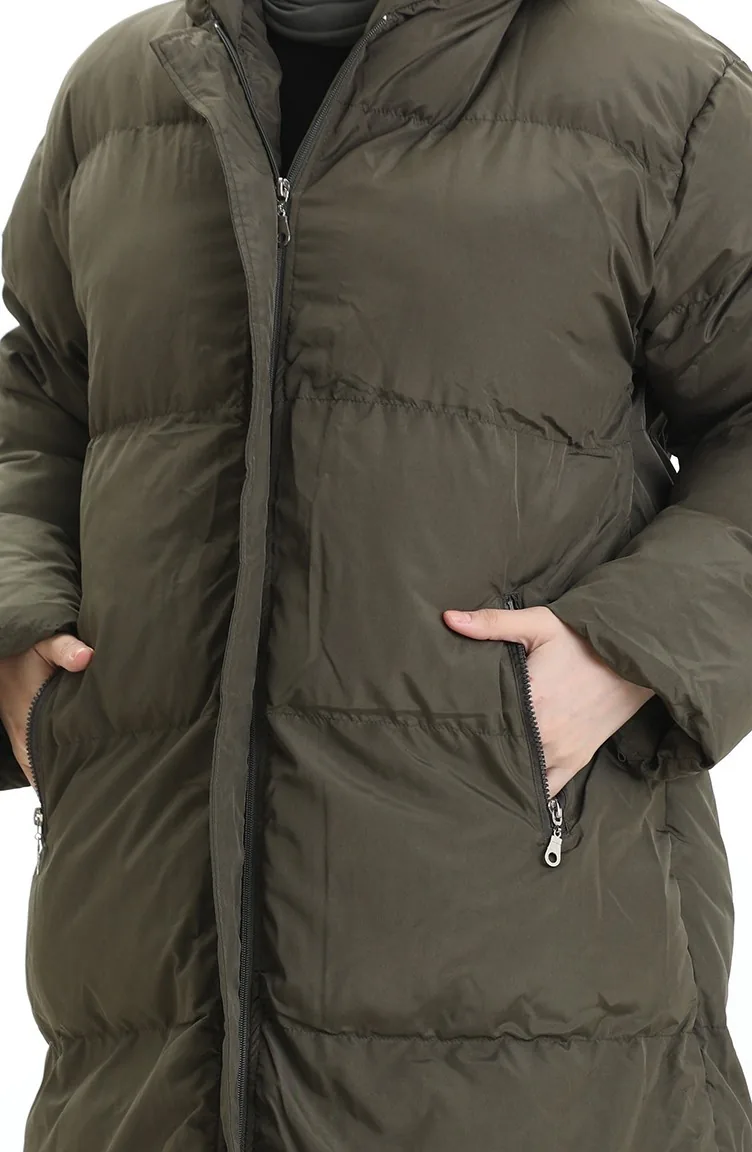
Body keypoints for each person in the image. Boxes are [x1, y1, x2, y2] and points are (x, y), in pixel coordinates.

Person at [1, 0, 751, 1147]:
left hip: (537, 1025)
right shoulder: (120, 97)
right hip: (142, 1029)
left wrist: (628, 647)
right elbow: (38, 405)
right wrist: (14, 621)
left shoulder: (656, 94)